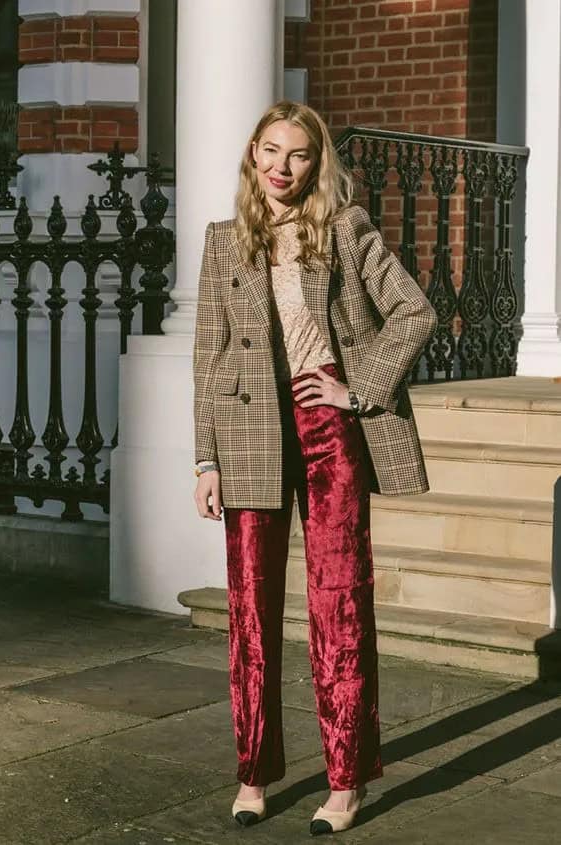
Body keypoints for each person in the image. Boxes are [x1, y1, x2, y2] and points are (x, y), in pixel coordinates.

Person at [192, 100, 437, 836]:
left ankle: (345, 780)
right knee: (250, 611)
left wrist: (354, 383)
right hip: (248, 433)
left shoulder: (345, 229)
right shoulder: (221, 241)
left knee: (339, 604)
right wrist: (205, 459)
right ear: (251, 152)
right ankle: (253, 774)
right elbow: (208, 358)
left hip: (329, 427)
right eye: (271, 151)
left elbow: (415, 312)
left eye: (298, 155)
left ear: (316, 161)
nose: (282, 167)